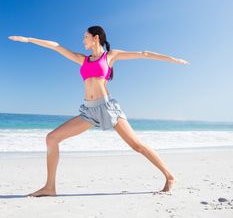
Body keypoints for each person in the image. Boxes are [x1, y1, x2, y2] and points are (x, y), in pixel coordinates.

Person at [8, 25, 190, 197]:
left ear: (96, 38)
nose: (83, 41)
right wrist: (28, 39)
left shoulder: (111, 56)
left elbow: (144, 54)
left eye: (85, 37)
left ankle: (169, 176)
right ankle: (50, 187)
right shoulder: (82, 59)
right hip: (88, 111)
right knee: (52, 138)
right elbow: (56, 46)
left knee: (137, 146)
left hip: (107, 108)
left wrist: (173, 59)